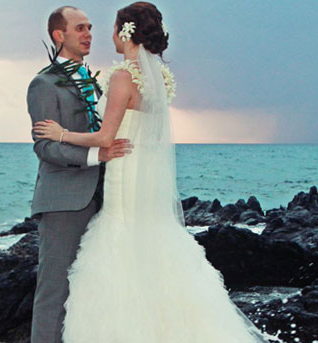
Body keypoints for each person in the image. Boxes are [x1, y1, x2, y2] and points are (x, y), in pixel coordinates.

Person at [33, 2, 271, 342]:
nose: (98, 34)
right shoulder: (157, 77)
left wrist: (62, 134)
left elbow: (105, 135)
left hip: (122, 175)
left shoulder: (121, 75)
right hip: (137, 180)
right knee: (151, 255)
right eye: (81, 28)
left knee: (119, 256)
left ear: (125, 32)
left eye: (105, 28)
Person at [26, 6, 133, 343]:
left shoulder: (95, 81)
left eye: (90, 27)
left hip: (107, 196)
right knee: (54, 292)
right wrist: (94, 155)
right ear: (59, 35)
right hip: (64, 201)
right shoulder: (42, 84)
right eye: (80, 28)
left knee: (95, 288)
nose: (88, 34)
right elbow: (45, 147)